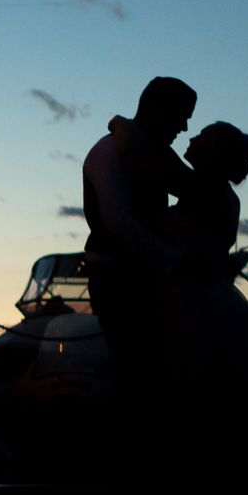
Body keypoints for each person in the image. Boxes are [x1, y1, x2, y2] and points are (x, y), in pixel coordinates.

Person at [81, 76, 197, 403]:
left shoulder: (148, 151)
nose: (185, 127)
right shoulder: (108, 151)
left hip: (143, 276)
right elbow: (119, 222)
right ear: (158, 110)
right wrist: (177, 263)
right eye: (182, 115)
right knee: (134, 369)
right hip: (118, 278)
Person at [158, 121, 248, 417]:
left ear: (213, 152)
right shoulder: (215, 192)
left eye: (203, 135)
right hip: (206, 297)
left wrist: (125, 130)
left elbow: (160, 161)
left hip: (193, 302)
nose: (193, 136)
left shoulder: (204, 189)